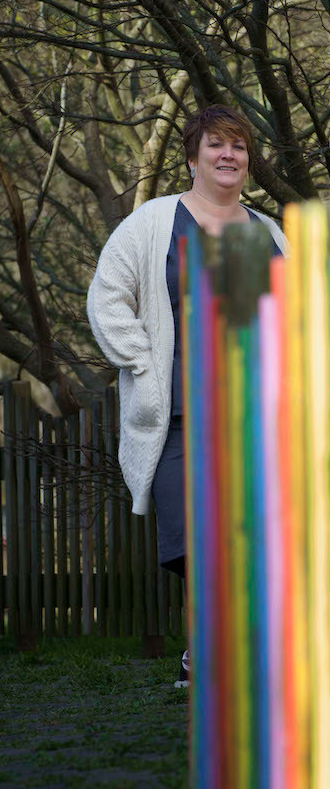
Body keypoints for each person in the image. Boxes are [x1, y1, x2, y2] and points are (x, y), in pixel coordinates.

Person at [87, 105, 287, 687]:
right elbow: (107, 298)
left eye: (240, 147)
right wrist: (144, 361)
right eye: (217, 145)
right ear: (193, 155)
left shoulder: (266, 233)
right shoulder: (155, 223)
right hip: (179, 417)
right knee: (191, 536)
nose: (229, 155)